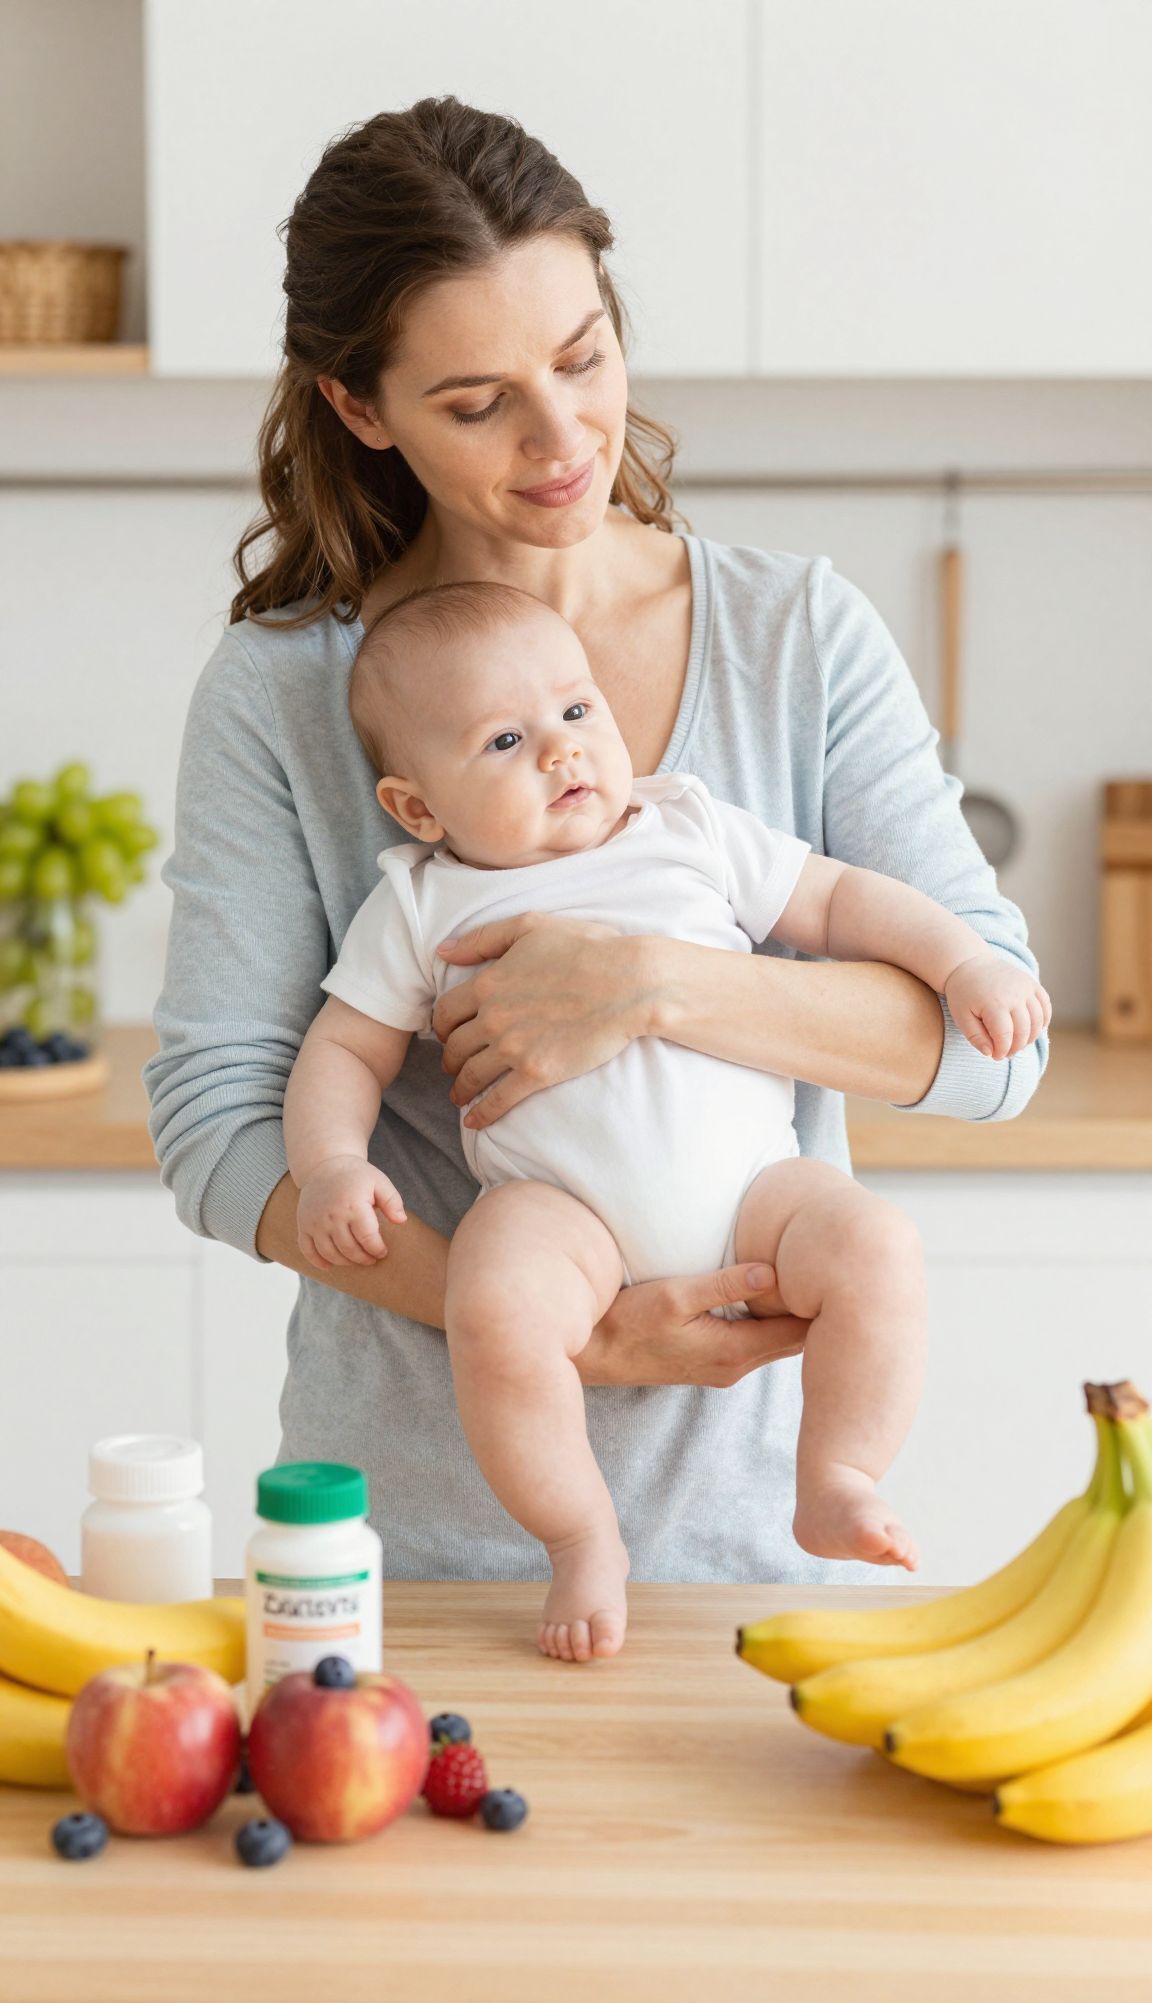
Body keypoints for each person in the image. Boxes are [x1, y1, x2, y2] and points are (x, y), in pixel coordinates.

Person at [143, 96, 1049, 1602]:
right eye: (477, 400)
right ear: (363, 410)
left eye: (583, 357)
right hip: (420, 1550)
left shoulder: (793, 636)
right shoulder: (289, 694)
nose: (564, 440)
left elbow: (990, 1046)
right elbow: (221, 1131)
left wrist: (652, 985)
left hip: (762, 1546)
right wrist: (562, 1326)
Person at [281, 580, 1050, 1660]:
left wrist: (963, 961)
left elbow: (840, 903)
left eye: (577, 711)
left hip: (753, 1193)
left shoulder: (685, 822)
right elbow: (345, 1047)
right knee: (493, 1300)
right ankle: (581, 1532)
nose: (562, 751)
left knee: (877, 1244)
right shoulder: (420, 899)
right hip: (561, 1214)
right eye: (506, 739)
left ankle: (835, 1475)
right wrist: (327, 1165)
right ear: (417, 805)